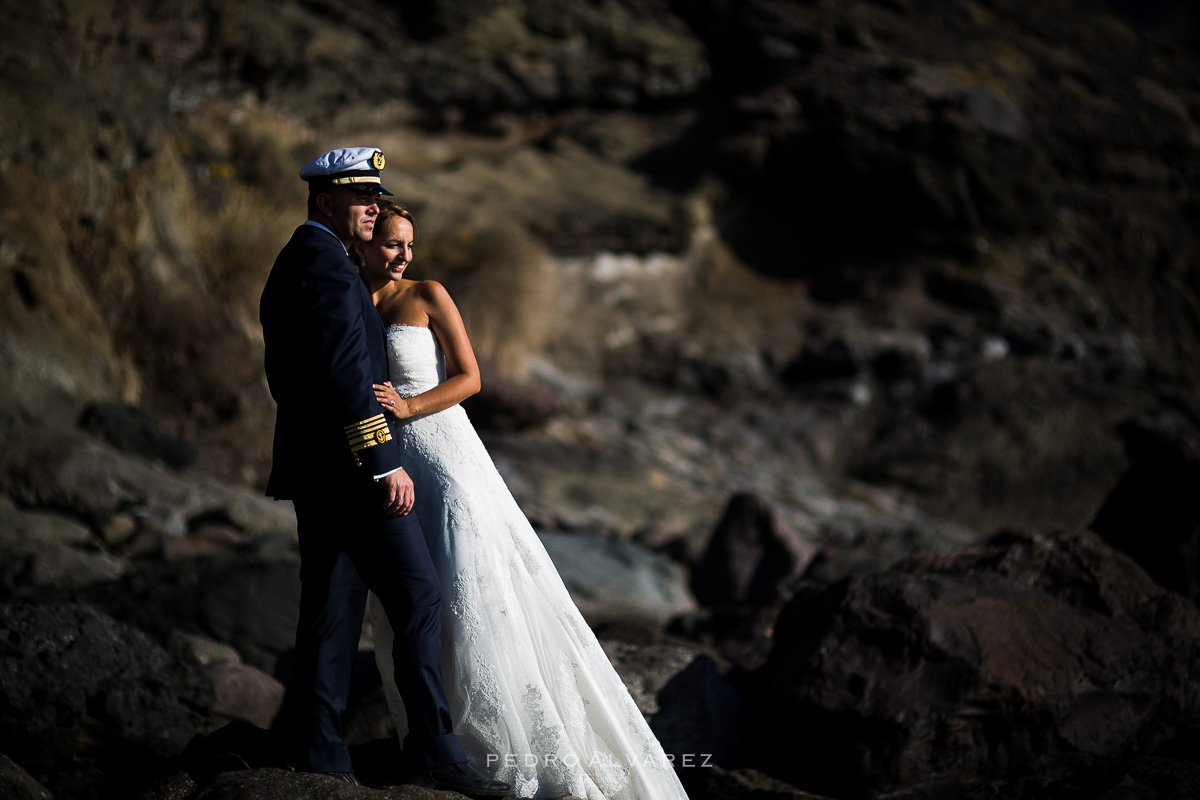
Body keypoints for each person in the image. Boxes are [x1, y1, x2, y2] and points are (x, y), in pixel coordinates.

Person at [354, 199, 690, 800]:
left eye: (410, 243)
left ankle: (496, 743)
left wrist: (408, 406)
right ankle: (435, 736)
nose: (403, 255)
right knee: (407, 598)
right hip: (388, 463)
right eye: (391, 244)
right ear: (363, 242)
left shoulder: (427, 293)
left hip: (444, 455)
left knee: (466, 584)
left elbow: (470, 377)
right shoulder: (350, 297)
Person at [258, 147, 510, 796]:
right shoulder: (326, 269)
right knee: (418, 596)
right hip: (353, 471)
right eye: (361, 197)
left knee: (332, 610)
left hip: (318, 468)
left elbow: (287, 378)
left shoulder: (304, 261)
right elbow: (349, 381)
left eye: (376, 197)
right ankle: (434, 748)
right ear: (325, 202)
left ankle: (321, 753)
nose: (373, 205)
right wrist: (381, 463)